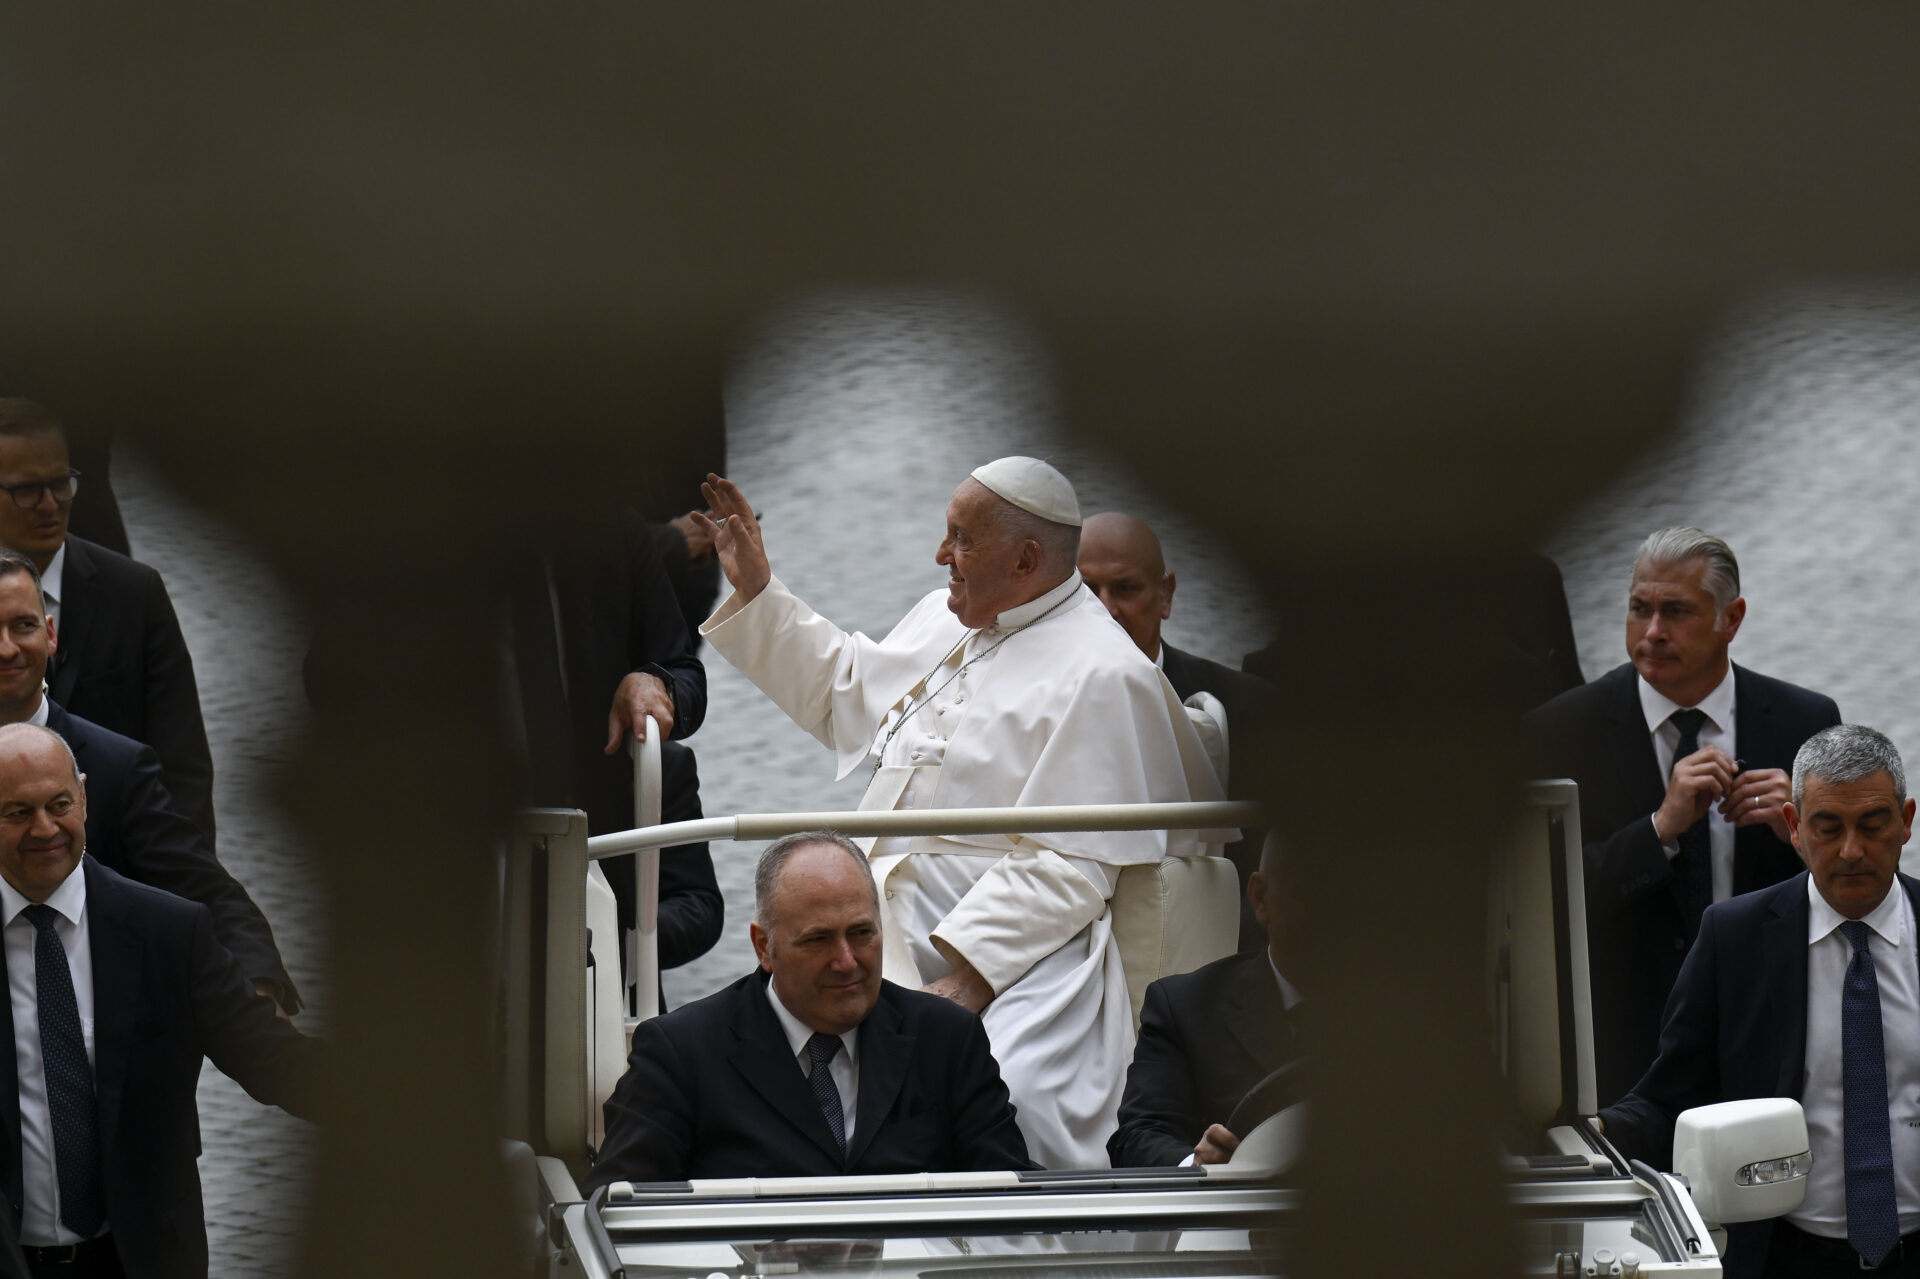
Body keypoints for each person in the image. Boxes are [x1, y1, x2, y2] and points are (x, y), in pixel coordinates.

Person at [692, 459, 1225, 1169]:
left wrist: (967, 981)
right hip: (876, 906)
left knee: (1014, 1088)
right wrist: (761, 592)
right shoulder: (951, 614)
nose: (941, 555)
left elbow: (1071, 864)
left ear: (1026, 558)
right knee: (757, 1054)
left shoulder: (1108, 672)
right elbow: (848, 694)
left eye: (959, 539)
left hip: (1014, 941)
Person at [1524, 527, 1839, 1105]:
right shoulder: (1561, 733)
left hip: (1767, 1045)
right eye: (1640, 609)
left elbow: (1852, 888)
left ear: (1732, 618)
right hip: (1623, 1056)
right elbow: (1538, 905)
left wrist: (1803, 836)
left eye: (1676, 611)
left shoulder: (1806, 723)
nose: (1652, 632)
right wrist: (1659, 830)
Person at [0, 723, 324, 1279]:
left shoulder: (167, 932)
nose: (45, 828)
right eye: (17, 813)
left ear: (84, 795)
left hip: (139, 1259)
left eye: (59, 804)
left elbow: (273, 1059)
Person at [1603, 725, 1920, 1279]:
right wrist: (1591, 1133)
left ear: (1906, 821)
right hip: (1783, 1256)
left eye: (1872, 827)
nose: (1851, 851)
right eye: (1828, 828)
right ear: (1794, 828)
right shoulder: (1734, 937)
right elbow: (1671, 1094)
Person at [587, 831, 1033, 1186]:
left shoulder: (947, 1039)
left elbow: (1012, 1195)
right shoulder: (680, 1054)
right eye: (818, 939)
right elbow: (620, 1208)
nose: (846, 961)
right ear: (765, 946)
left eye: (861, 933)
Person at [0, 550, 298, 1014]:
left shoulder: (118, 767)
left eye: (23, 626)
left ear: (51, 634)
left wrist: (259, 991)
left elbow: (204, 889)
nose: (6, 648)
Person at [0, 400, 215, 847]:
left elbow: (183, 770)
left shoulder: (135, 595)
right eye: (27, 490)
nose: (50, 504)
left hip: (118, 873)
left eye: (61, 484)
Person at [1077, 511, 1274, 947]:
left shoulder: (1254, 713)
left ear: (1165, 595)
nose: (1105, 610)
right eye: (1087, 591)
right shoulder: (1021, 707)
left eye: (1125, 589)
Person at [1108, 832, 1303, 1168]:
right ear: (1261, 899)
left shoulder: (1408, 1015)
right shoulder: (1185, 1007)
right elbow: (1137, 1140)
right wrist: (1198, 1166)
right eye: (1315, 891)